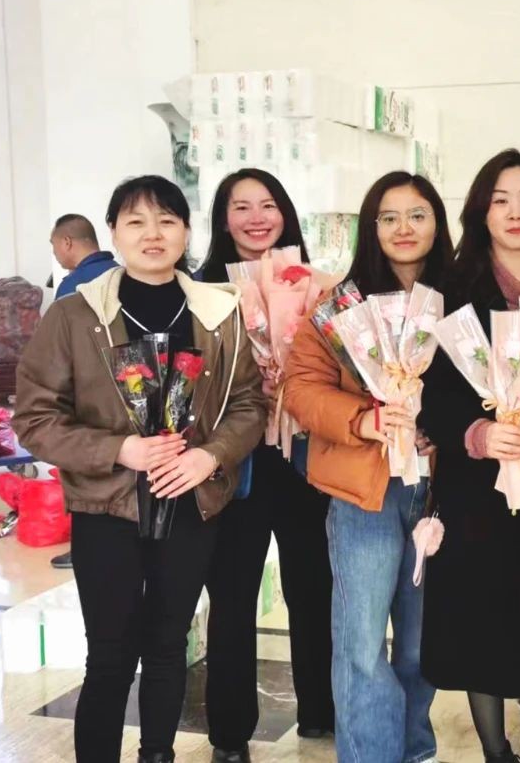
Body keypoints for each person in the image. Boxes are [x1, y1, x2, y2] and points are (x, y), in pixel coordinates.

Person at [14, 175, 267, 763]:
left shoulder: (218, 312)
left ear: (186, 231)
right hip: (106, 506)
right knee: (109, 654)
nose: (153, 234)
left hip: (190, 503)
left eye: (167, 221)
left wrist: (210, 455)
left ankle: (158, 754)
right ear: (113, 232)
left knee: (168, 645)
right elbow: (34, 419)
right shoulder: (75, 316)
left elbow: (249, 404)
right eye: (136, 221)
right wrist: (118, 449)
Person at [283, 171, 453, 763]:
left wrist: (448, 427)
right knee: (360, 645)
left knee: (420, 645)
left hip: (440, 495)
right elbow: (301, 388)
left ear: (438, 223)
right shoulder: (341, 306)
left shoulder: (461, 299)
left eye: (417, 214)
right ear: (370, 228)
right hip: (365, 492)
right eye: (389, 217)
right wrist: (363, 420)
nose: (404, 228)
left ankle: (414, 748)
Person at [419, 150, 520, 763]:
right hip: (475, 487)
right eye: (500, 200)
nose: (515, 212)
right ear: (481, 213)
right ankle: (495, 749)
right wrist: (478, 433)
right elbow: (428, 393)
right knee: (480, 615)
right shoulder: (454, 290)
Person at [196, 169, 335, 763]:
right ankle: (230, 735)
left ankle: (321, 710)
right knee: (232, 597)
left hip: (304, 458)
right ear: (222, 219)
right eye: (241, 207)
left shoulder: (315, 286)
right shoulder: (201, 291)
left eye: (268, 205)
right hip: (236, 462)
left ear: (286, 213)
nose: (257, 218)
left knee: (315, 588)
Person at [46, 213, 123, 569]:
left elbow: (59, 358)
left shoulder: (72, 288)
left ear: (66, 242)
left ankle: (84, 550)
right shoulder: (123, 275)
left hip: (88, 406)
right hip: (134, 397)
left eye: (54, 246)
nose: (56, 253)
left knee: (85, 479)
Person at [52, 213, 120, 299]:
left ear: (67, 242)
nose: (54, 252)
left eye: (53, 243)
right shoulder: (120, 272)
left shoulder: (71, 287)